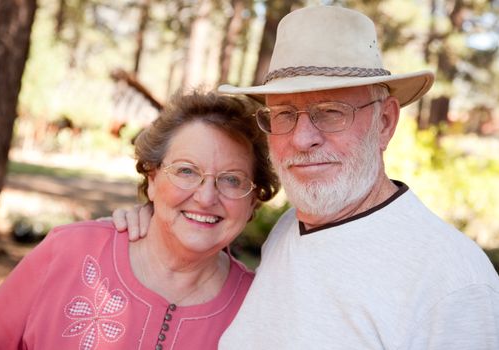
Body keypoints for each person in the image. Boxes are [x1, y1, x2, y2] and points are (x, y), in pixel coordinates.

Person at [112, 5, 499, 349]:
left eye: (330, 111)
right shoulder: (291, 227)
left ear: (384, 122)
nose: (302, 138)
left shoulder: (451, 282)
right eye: (283, 114)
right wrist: (157, 222)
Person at [0, 90, 280, 349]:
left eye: (232, 180)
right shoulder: (69, 251)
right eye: (186, 171)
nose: (207, 197)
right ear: (152, 178)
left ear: (253, 199)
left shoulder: (257, 308)